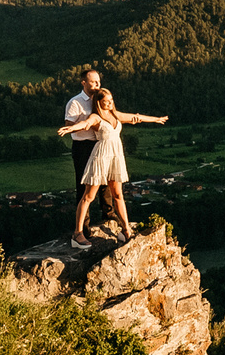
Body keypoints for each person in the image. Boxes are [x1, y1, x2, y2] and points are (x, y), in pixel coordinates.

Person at [59, 86, 167, 247]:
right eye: (106, 101)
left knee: (118, 195)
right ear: (99, 103)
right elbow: (85, 123)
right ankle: (78, 233)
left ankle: (126, 230)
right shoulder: (96, 117)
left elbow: (135, 117)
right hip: (101, 158)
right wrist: (71, 128)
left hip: (115, 157)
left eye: (111, 100)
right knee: (88, 196)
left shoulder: (115, 115)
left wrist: (156, 119)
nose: (110, 103)